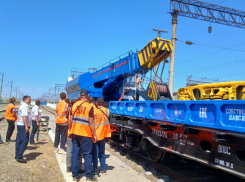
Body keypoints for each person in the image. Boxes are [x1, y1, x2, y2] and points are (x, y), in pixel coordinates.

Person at [68, 89, 98, 182]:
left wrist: (70, 132)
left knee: (75, 154)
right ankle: (89, 176)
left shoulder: (74, 105)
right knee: (87, 155)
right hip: (86, 134)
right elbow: (91, 122)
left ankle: (75, 176)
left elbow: (70, 120)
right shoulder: (90, 107)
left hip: (75, 133)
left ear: (80, 96)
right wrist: (95, 135)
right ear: (88, 96)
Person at [92, 97, 112, 176]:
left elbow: (91, 123)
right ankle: (103, 169)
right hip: (103, 135)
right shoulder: (108, 111)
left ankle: (96, 170)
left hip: (96, 136)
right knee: (102, 153)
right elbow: (110, 122)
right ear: (103, 103)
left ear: (97, 103)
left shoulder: (94, 112)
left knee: (95, 154)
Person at [66, 100, 83, 173]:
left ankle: (68, 167)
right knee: (79, 151)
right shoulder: (81, 111)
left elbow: (68, 121)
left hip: (71, 132)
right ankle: (78, 168)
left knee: (69, 150)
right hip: (79, 133)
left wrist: (69, 132)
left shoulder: (70, 109)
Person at [15, 95, 32, 163]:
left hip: (20, 125)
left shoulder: (23, 105)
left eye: (30, 100)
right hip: (22, 125)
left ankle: (17, 155)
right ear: (25, 100)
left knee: (19, 140)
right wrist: (26, 126)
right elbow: (24, 116)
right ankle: (19, 156)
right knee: (25, 140)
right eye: (29, 100)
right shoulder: (25, 106)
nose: (30, 101)